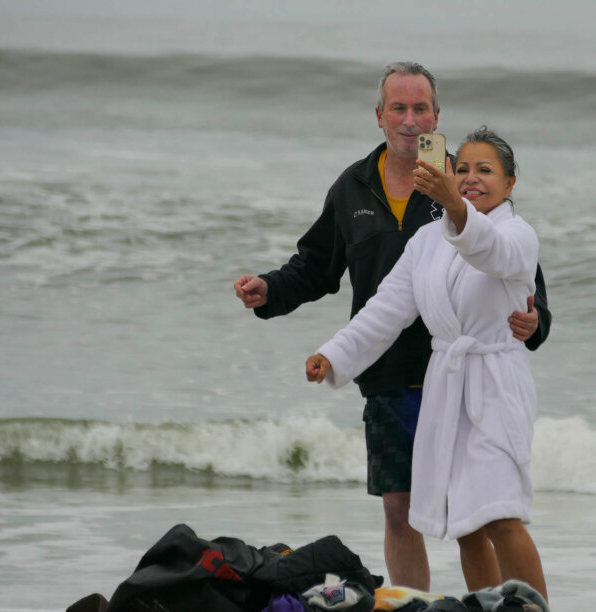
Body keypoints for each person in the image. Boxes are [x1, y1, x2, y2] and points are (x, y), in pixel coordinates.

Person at [234, 62, 551, 590]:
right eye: (398, 108)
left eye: (420, 108)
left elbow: (509, 267)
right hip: (393, 376)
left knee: (493, 513)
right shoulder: (365, 195)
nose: (410, 120)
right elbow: (370, 298)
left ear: (436, 116)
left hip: (477, 381)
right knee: (436, 519)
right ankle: (442, 606)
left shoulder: (490, 212)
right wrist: (328, 350)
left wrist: (534, 320)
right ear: (379, 117)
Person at [306, 127, 548, 601]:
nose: (471, 178)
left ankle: (536, 608)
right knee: (467, 524)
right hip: (448, 388)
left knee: (499, 513)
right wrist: (333, 354)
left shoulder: (518, 235)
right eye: (463, 170)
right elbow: (386, 310)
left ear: (510, 184)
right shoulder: (425, 241)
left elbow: (490, 253)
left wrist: (455, 207)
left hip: (494, 385)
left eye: (485, 170)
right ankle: (490, 608)